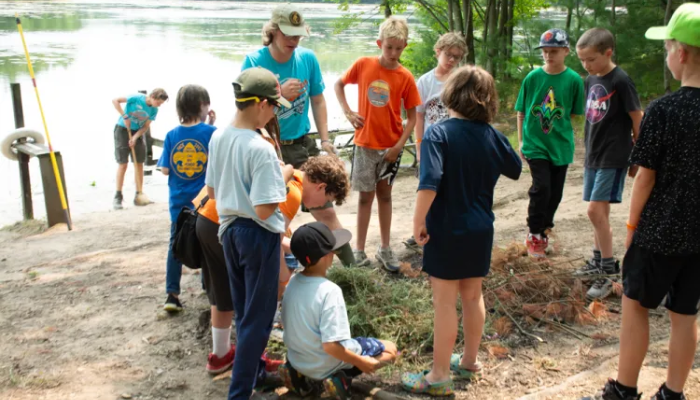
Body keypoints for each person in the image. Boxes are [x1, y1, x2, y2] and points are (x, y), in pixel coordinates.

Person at [588, 4, 700, 400]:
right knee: (685, 315)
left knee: (636, 306)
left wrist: (632, 230)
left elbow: (644, 179)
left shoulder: (664, 110)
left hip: (660, 231)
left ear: (681, 53)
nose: (667, 55)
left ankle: (624, 390)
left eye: (668, 47)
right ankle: (672, 393)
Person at [402, 66, 521, 396]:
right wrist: (493, 136)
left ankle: (439, 375)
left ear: (450, 95)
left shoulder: (438, 134)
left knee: (444, 302)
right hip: (481, 228)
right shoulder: (492, 134)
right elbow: (515, 167)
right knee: (473, 295)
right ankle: (469, 361)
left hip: (447, 229)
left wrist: (418, 222)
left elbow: (429, 182)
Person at [193, 154, 349, 375]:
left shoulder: (288, 171)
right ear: (321, 186)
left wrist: (294, 247)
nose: (320, 206)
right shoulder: (293, 192)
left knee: (221, 292)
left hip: (206, 219)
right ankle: (254, 363)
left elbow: (276, 236)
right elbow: (270, 241)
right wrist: (283, 278)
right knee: (258, 298)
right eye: (325, 200)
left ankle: (220, 356)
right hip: (229, 226)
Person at [241, 4, 356, 269]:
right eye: (288, 34)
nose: (294, 40)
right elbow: (246, 112)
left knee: (325, 209)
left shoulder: (307, 59)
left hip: (303, 145)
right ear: (273, 31)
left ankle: (351, 271)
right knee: (274, 215)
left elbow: (318, 100)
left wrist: (325, 139)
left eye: (298, 35)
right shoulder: (254, 62)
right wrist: (279, 95)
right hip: (268, 147)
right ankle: (275, 270)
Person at [205, 67, 292, 400]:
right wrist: (284, 174)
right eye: (273, 106)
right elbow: (264, 209)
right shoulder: (260, 148)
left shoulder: (220, 136)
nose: (273, 113)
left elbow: (212, 192)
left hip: (227, 232)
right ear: (258, 103)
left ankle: (253, 373)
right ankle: (238, 392)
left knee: (244, 310)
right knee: (259, 318)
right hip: (258, 236)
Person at [335, 16, 421, 271]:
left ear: (404, 46)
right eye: (388, 47)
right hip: (365, 144)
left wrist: (398, 147)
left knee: (385, 196)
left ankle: (385, 248)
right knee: (364, 198)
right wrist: (348, 111)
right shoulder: (363, 65)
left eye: (398, 48)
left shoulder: (405, 77)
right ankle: (359, 251)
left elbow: (413, 116)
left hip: (390, 149)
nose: (393, 53)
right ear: (379, 43)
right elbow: (339, 84)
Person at [278, 222, 398, 400]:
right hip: (326, 362)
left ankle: (299, 376)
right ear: (328, 255)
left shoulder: (292, 283)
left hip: (297, 358)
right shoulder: (330, 291)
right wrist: (361, 362)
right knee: (391, 350)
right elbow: (330, 346)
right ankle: (340, 379)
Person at [574, 28, 643, 300]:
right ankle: (598, 261)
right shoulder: (591, 79)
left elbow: (637, 118)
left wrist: (640, 154)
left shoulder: (621, 80)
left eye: (591, 59)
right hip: (594, 154)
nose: (586, 65)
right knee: (598, 215)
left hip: (613, 155)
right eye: (582, 60)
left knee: (594, 212)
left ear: (608, 52)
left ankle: (608, 272)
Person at [515, 28, 585, 259]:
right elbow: (522, 111)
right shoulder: (533, 78)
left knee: (555, 193)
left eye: (553, 51)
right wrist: (522, 141)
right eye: (544, 52)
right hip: (535, 144)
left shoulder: (574, 80)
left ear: (566, 51)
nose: (548, 56)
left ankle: (545, 230)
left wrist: (558, 132)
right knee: (541, 187)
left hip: (561, 146)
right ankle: (534, 233)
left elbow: (573, 114)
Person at [404, 32, 467, 248]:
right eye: (448, 55)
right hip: (432, 146)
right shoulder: (425, 81)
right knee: (428, 188)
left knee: (453, 188)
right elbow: (419, 116)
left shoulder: (461, 80)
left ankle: (450, 229)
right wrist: (420, 148)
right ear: (437, 52)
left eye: (457, 57)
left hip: (456, 145)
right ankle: (421, 228)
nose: (451, 60)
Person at [156, 85, 216, 313]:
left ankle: (172, 294)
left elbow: (165, 170)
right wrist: (210, 126)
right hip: (204, 204)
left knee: (176, 247)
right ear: (202, 106)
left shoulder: (172, 135)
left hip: (179, 205)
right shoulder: (212, 133)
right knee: (208, 245)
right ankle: (207, 286)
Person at [111, 88, 168, 210]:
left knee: (139, 163)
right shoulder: (136, 98)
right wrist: (124, 116)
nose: (159, 105)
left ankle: (139, 195)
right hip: (122, 130)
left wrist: (136, 137)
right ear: (152, 96)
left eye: (161, 104)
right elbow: (115, 100)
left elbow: (145, 126)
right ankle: (118, 196)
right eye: (158, 102)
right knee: (123, 164)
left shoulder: (154, 110)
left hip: (137, 132)